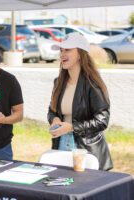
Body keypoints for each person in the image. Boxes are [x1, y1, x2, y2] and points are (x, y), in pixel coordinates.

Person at [47, 32, 113, 170]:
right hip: (61, 143)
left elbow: (102, 121)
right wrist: (55, 120)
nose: (62, 54)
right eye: (61, 50)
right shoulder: (58, 82)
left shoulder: (92, 83)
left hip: (86, 149)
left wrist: (71, 127)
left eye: (68, 50)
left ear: (80, 54)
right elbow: (52, 111)